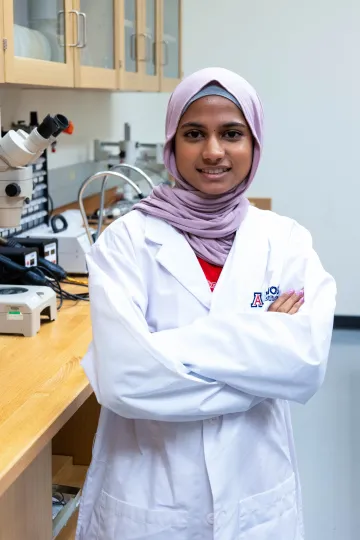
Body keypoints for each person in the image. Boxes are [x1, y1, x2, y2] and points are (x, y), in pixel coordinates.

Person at [76, 67, 336, 540]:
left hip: (254, 494)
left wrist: (163, 350)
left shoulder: (287, 242)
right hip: (150, 495)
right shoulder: (126, 242)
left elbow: (304, 365)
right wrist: (258, 365)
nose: (213, 151)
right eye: (194, 133)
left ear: (254, 144)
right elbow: (124, 381)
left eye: (231, 134)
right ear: (172, 144)